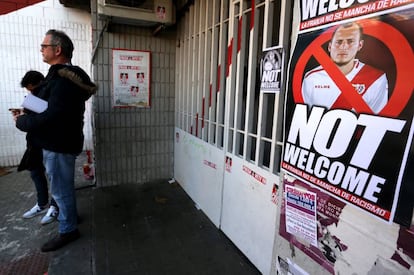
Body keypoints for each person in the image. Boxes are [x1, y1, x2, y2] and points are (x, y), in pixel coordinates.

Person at [14, 29, 97, 252]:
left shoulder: (63, 80)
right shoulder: (62, 76)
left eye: (44, 46)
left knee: (60, 189)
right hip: (61, 141)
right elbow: (54, 109)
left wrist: (23, 122)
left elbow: (53, 115)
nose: (41, 49)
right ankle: (71, 217)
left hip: (58, 144)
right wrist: (30, 108)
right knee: (64, 186)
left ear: (57, 50)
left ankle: (68, 229)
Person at [301, 21, 388, 114]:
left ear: (360, 45)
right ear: (330, 46)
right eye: (339, 42)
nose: (343, 46)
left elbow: (377, 121)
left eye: (350, 41)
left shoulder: (376, 79)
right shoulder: (312, 78)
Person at [17, 70, 59, 225]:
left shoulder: (49, 93)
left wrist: (21, 119)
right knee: (35, 172)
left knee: (54, 176)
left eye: (29, 87)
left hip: (49, 142)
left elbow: (42, 119)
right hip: (35, 143)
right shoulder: (36, 96)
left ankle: (55, 206)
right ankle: (42, 204)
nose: (29, 91)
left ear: (34, 84)